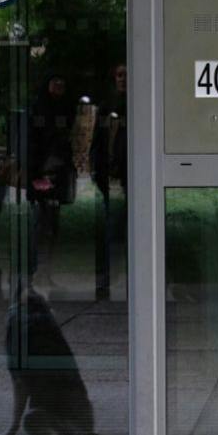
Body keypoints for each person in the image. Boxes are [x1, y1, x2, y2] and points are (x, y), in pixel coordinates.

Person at [26, 72, 75, 288]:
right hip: (42, 171)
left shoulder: (65, 108)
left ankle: (44, 271)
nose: (59, 87)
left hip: (58, 171)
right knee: (41, 223)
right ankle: (36, 270)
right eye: (55, 82)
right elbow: (33, 142)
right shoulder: (38, 108)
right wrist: (37, 172)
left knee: (52, 225)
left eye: (62, 83)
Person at [91, 63, 127, 300]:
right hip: (112, 177)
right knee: (110, 230)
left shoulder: (141, 104)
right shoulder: (107, 108)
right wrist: (98, 171)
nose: (123, 79)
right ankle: (105, 279)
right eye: (120, 75)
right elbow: (99, 142)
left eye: (127, 75)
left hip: (130, 175)